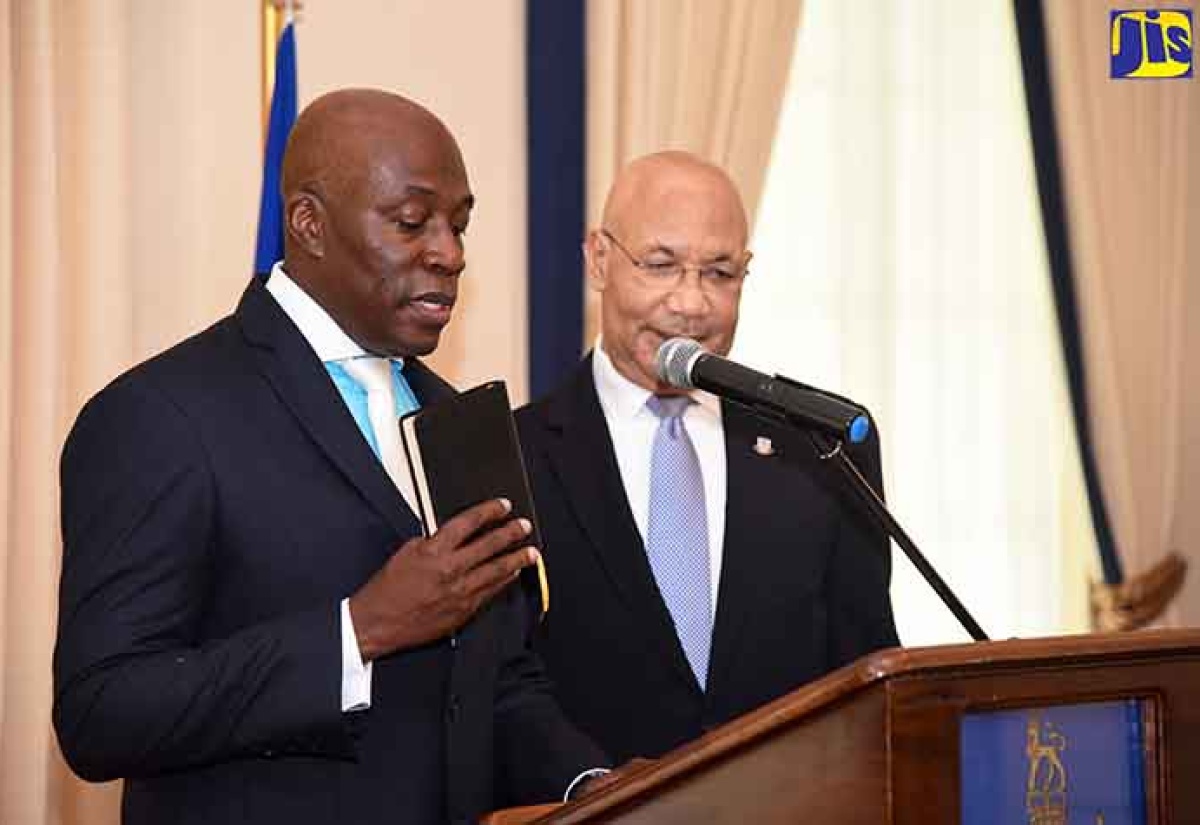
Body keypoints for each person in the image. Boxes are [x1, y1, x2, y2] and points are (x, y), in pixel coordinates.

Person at [53, 88, 606, 825]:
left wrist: (589, 781)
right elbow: (102, 709)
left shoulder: (458, 421)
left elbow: (494, 682)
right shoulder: (161, 416)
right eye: (412, 222)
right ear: (308, 223)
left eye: (459, 224)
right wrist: (357, 630)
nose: (450, 252)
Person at [516, 151, 900, 763]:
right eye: (661, 265)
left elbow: (865, 669)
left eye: (719, 274)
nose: (691, 305)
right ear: (598, 259)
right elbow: (503, 690)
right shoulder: (517, 454)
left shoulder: (817, 444)